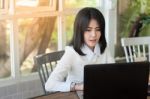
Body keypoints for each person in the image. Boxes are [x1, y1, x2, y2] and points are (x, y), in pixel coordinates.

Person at [45, 7, 115, 92]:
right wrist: (78, 87)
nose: (93, 35)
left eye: (98, 30)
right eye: (88, 30)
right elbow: (49, 85)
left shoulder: (103, 47)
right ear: (80, 31)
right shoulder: (71, 52)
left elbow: (113, 73)